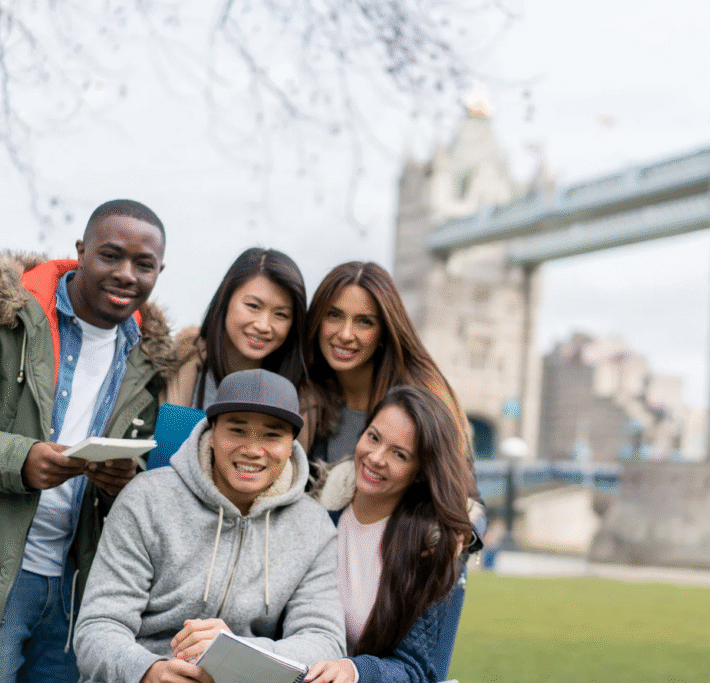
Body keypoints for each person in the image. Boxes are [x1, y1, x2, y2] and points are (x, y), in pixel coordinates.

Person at [0, 199, 173, 683]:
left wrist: (119, 482)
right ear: (81, 251)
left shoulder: (148, 362)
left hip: (75, 594)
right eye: (111, 255)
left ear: (159, 271)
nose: (127, 274)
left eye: (144, 264)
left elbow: (144, 480)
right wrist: (19, 460)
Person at [74, 369, 346, 683]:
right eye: (237, 430)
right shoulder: (146, 498)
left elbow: (325, 640)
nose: (253, 450)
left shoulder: (313, 526)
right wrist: (149, 671)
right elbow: (98, 627)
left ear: (291, 445)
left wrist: (238, 653)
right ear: (212, 432)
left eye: (272, 434)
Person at [308, 385, 475, 683]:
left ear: (421, 471)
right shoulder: (317, 516)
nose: (375, 457)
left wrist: (355, 670)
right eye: (373, 437)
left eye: (399, 454)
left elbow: (415, 669)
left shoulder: (431, 546)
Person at [299, 261, 468, 467]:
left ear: (383, 332)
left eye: (364, 322)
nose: (345, 334)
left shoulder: (422, 399)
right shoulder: (306, 393)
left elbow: (459, 489)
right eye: (334, 315)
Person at [163, 247, 308, 409]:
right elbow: (169, 435)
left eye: (281, 314)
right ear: (225, 300)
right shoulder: (179, 367)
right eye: (253, 306)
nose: (263, 326)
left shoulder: (300, 391)